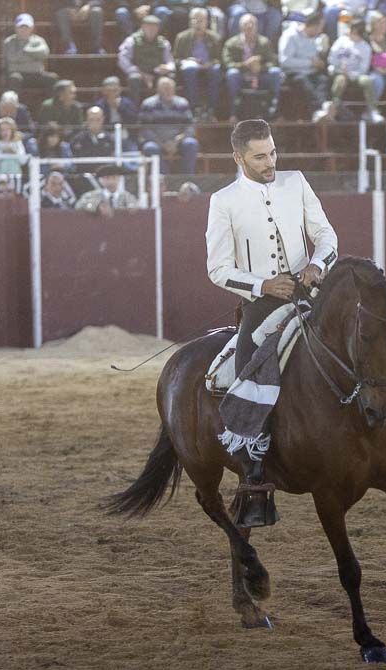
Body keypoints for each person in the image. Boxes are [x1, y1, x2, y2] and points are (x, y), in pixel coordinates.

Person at [203, 119, 337, 526]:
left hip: (311, 292)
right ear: (238, 157)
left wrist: (316, 264)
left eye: (273, 152)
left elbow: (327, 235)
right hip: (261, 305)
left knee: (367, 343)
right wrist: (262, 284)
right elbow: (217, 269)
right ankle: (255, 478)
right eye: (260, 156)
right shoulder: (223, 200)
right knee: (248, 375)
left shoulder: (296, 182)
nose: (270, 162)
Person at [223, 12, 281, 119]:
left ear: (257, 27)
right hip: (241, 75)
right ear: (241, 27)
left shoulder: (264, 42)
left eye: (252, 24)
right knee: (232, 74)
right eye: (246, 24)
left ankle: (274, 109)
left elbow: (272, 62)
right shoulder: (231, 43)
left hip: (260, 75)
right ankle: (233, 111)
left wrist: (261, 67)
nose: (249, 26)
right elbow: (227, 63)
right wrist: (246, 65)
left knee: (275, 72)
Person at [139, 75, 199, 173]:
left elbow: (190, 126)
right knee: (149, 147)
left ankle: (187, 178)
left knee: (191, 143)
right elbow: (144, 129)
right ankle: (163, 179)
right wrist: (161, 144)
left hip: (178, 142)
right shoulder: (148, 104)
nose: (168, 91)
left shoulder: (182, 103)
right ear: (158, 90)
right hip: (157, 142)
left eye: (170, 88)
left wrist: (177, 140)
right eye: (165, 89)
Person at [278, 11, 330, 122]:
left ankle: (323, 107)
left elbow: (315, 59)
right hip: (292, 74)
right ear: (313, 25)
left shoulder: (315, 39)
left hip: (311, 72)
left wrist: (320, 60)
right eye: (320, 27)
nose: (321, 31)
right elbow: (285, 61)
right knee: (304, 82)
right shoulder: (290, 36)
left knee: (323, 79)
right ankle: (318, 110)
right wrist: (310, 63)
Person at [174, 8, 222, 120]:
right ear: (190, 21)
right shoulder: (182, 37)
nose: (197, 23)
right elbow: (176, 59)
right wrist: (187, 60)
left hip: (209, 66)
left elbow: (220, 59)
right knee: (190, 69)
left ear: (207, 22)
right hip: (190, 66)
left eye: (201, 20)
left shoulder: (214, 38)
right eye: (194, 19)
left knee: (216, 70)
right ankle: (194, 108)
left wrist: (209, 63)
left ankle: (211, 109)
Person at [329, 18, 379, 123]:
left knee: (367, 81)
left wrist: (351, 74)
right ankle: (333, 109)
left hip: (356, 75)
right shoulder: (341, 41)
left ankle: (372, 111)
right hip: (340, 72)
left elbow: (364, 68)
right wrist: (340, 67)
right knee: (340, 81)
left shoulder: (365, 47)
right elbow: (331, 58)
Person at [118, 14, 175, 103]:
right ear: (143, 27)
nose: (152, 30)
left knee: (170, 78)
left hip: (156, 73)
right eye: (149, 27)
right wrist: (141, 73)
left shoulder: (163, 42)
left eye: (155, 27)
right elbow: (122, 59)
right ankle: (135, 108)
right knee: (134, 79)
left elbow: (170, 61)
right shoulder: (132, 40)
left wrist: (167, 68)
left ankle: (167, 106)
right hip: (139, 72)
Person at [3, 13, 57, 92]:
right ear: (15, 28)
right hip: (18, 74)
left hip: (36, 74)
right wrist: (34, 56)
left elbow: (44, 54)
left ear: (32, 28)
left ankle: (51, 103)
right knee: (14, 78)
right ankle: (14, 103)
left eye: (27, 27)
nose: (24, 30)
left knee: (52, 78)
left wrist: (26, 51)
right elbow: (12, 58)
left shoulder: (39, 40)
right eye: (21, 27)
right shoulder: (9, 41)